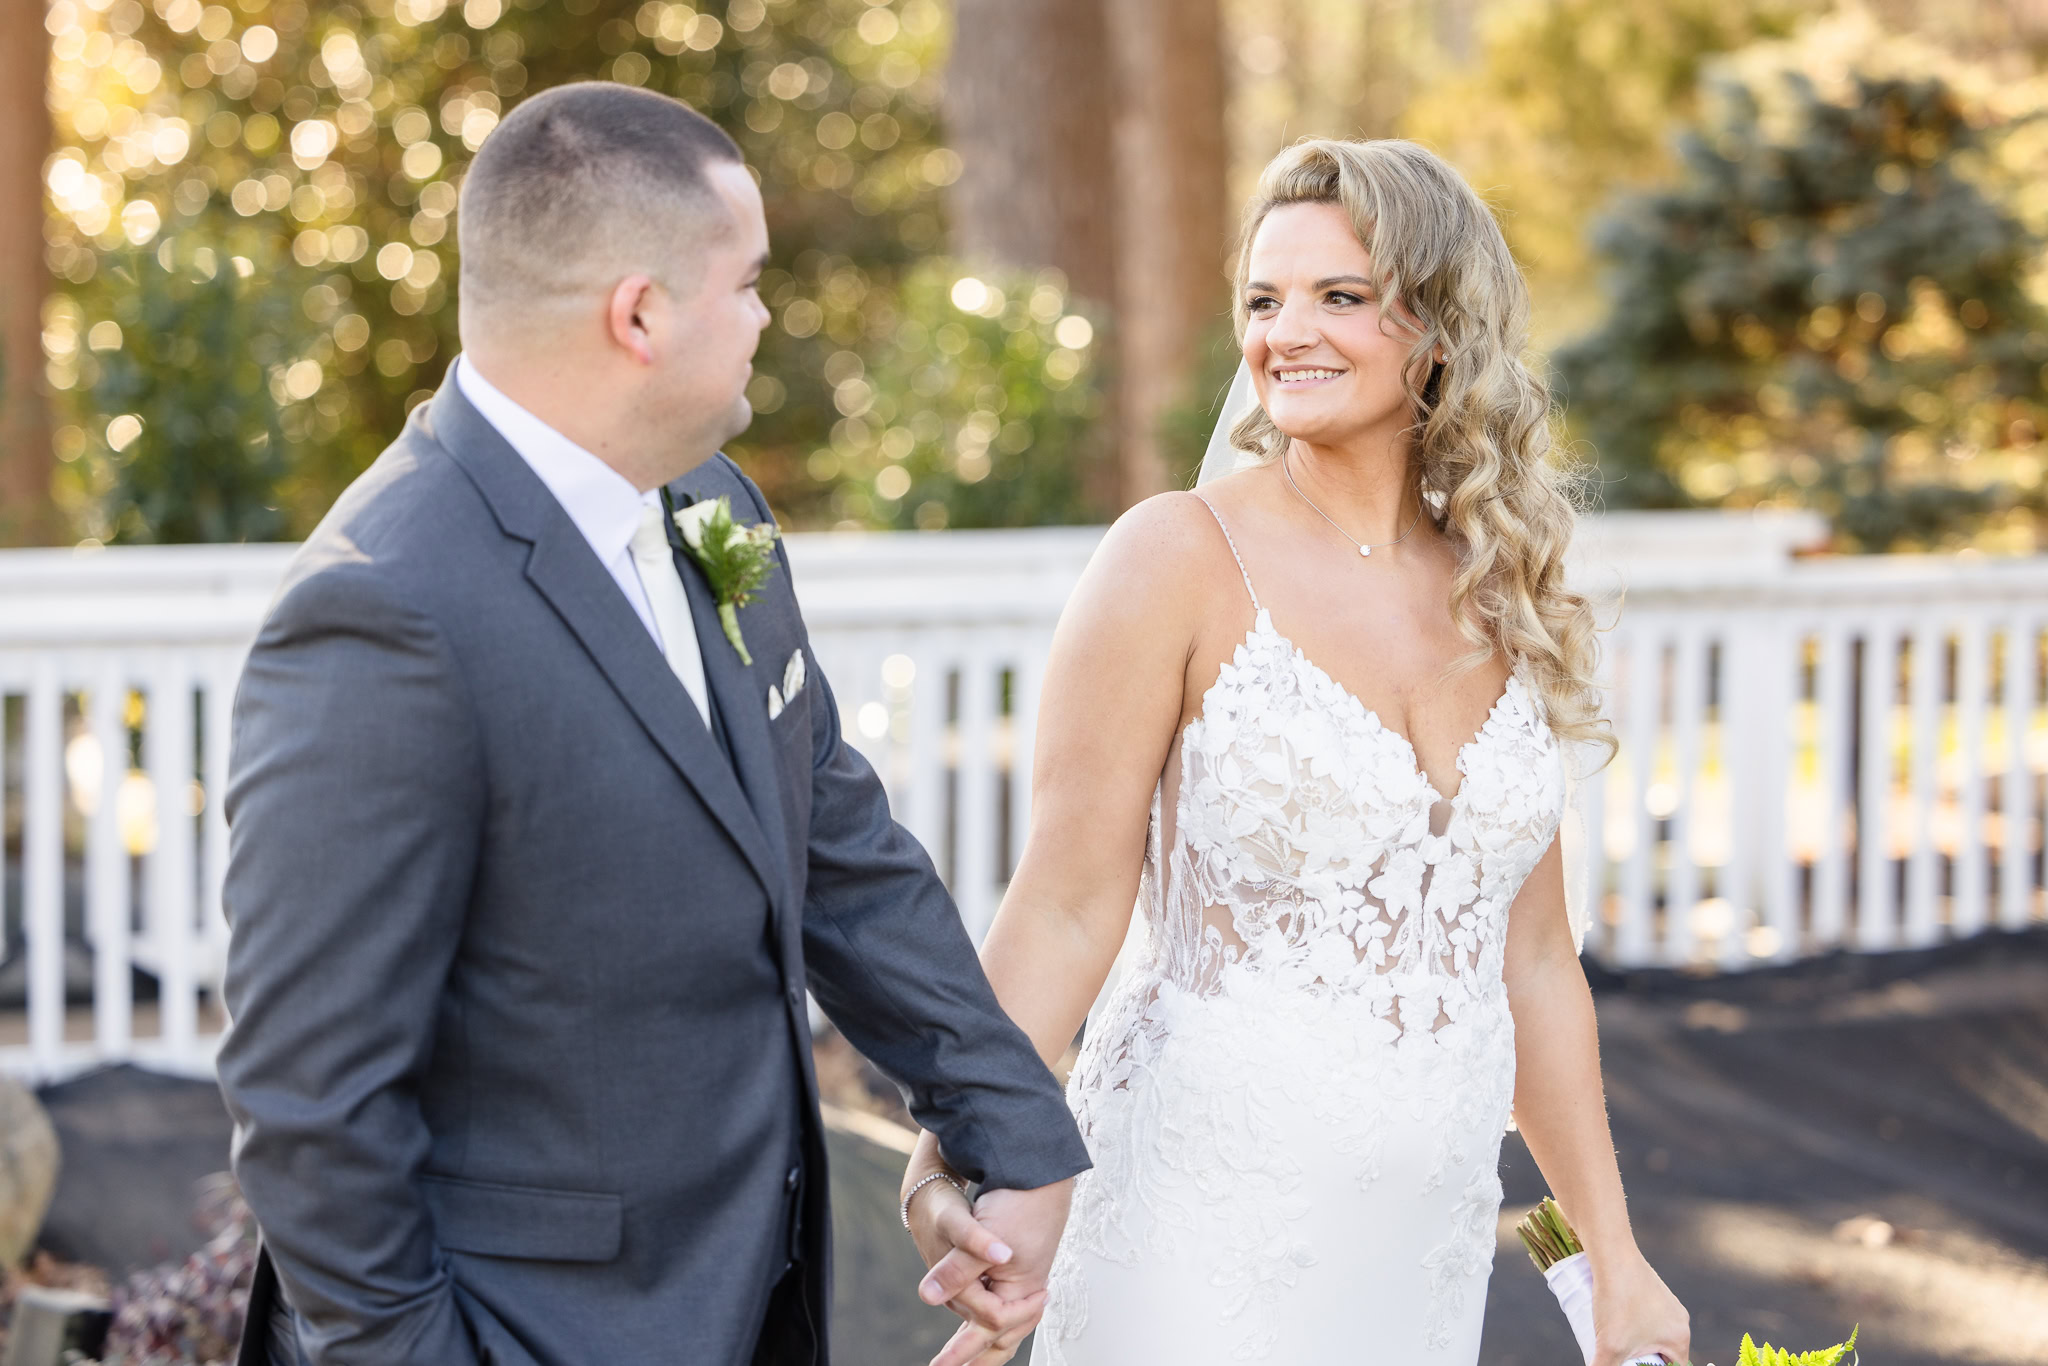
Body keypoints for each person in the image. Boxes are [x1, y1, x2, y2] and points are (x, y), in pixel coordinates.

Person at [215, 82, 1087, 1366]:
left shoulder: (707, 501)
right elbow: (311, 1107)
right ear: (638, 314)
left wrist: (1012, 1134)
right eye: (745, 283)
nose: (763, 316)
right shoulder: (382, 612)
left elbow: (830, 843)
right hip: (529, 1333)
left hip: (745, 1295)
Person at [901, 138, 1691, 1366]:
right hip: (1186, 1225)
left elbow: (1529, 963)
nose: (1284, 334)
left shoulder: (1500, 585)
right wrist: (951, 1147)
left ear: (1437, 323)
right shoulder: (1173, 556)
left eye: (1339, 295)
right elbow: (1060, 907)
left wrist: (1614, 1255)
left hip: (1412, 1252)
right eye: (1263, 300)